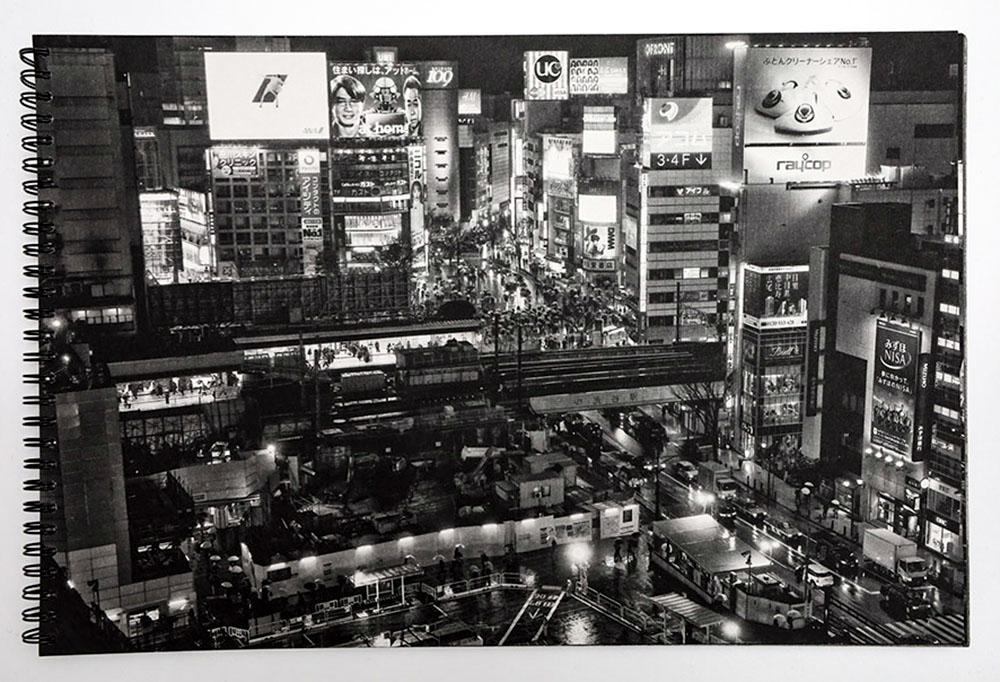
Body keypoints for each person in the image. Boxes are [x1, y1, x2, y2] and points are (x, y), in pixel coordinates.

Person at [330, 74, 367, 139]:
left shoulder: (377, 138)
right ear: (332, 105)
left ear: (363, 104)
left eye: (354, 101)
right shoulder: (323, 135)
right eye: (341, 102)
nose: (348, 108)